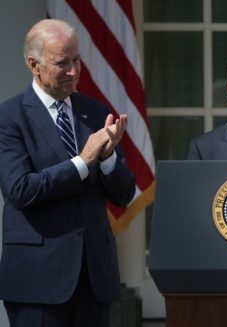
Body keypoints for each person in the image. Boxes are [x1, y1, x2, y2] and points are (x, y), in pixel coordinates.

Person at [0, 19, 136, 327]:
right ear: (34, 65)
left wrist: (108, 158)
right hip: (37, 281)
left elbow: (124, 194)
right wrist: (81, 161)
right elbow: (20, 189)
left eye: (77, 60)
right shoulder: (9, 118)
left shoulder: (97, 112)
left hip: (94, 280)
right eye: (63, 63)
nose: (74, 71)